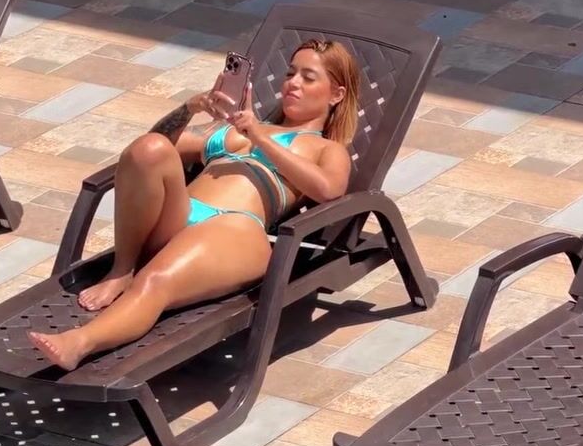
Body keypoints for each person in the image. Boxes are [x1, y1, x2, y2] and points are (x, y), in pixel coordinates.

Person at [28, 39, 360, 371]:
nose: (293, 83)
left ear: (336, 94)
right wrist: (191, 108)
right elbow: (145, 149)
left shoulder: (325, 149)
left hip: (234, 229)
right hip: (182, 214)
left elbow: (329, 190)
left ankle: (79, 343)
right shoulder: (236, 128)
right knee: (150, 148)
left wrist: (259, 137)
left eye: (308, 77)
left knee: (155, 280)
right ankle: (122, 269)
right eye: (290, 73)